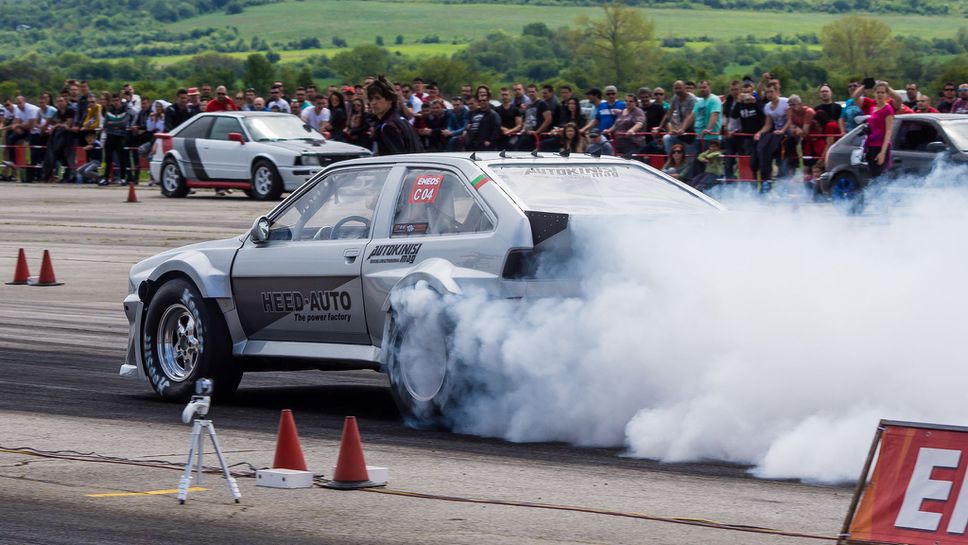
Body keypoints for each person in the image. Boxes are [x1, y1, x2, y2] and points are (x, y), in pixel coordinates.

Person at [366, 76, 421, 156]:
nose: (373, 102)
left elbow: (396, 159)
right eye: (371, 99)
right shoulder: (400, 119)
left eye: (378, 98)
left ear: (390, 100)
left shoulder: (388, 126)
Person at [865, 82, 895, 181]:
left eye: (882, 92)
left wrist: (883, 152)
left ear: (886, 94)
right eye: (878, 92)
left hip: (880, 146)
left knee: (879, 176)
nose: (880, 95)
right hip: (871, 145)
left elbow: (888, 131)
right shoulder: (872, 108)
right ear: (874, 94)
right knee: (871, 175)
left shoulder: (888, 109)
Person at [657, 80, 697, 155]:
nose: (678, 90)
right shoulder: (675, 98)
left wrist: (682, 129)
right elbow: (669, 113)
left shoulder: (692, 99)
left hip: (691, 131)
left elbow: (689, 117)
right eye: (676, 88)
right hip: (680, 131)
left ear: (684, 88)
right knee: (667, 138)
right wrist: (660, 127)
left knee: (689, 156)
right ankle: (671, 160)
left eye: (679, 88)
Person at [464, 85, 501, 152]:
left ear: (488, 100)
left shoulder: (493, 114)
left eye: (484, 100)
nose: (481, 102)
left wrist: (490, 141)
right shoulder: (474, 113)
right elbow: (470, 125)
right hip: (473, 142)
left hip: (485, 144)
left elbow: (496, 130)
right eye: (479, 100)